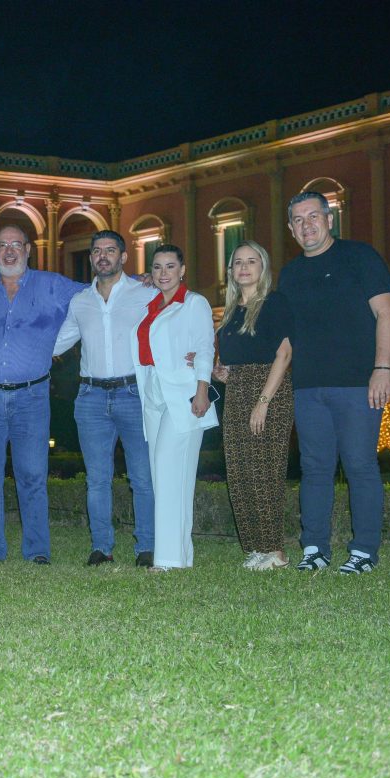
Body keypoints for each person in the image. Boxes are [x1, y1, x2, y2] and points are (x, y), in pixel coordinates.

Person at [278, 191, 390, 574]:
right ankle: (314, 547)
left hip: (357, 385)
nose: (306, 225)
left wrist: (382, 368)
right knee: (314, 468)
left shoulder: (360, 257)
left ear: (330, 219)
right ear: (291, 228)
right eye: (298, 219)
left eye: (313, 216)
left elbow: (387, 313)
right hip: (308, 387)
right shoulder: (291, 274)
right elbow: (282, 335)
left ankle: (363, 551)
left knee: (360, 465)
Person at [0, 225, 85, 564]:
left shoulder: (52, 286)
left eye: (16, 244)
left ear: (29, 249)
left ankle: (36, 551)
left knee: (32, 475)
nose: (9, 251)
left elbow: (100, 289)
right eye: (2, 245)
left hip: (31, 398)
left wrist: (141, 279)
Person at [54, 230, 158, 566]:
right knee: (97, 479)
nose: (103, 256)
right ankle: (102, 546)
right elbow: (57, 343)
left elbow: (173, 318)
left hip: (132, 394)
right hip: (91, 397)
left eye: (110, 250)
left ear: (124, 257)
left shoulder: (145, 292)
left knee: (142, 476)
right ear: (91, 258)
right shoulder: (80, 301)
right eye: (97, 251)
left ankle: (147, 546)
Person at [131, 244, 217, 571]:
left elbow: (204, 348)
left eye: (170, 267)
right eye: (157, 267)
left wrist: (202, 390)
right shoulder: (149, 304)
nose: (163, 273)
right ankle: (179, 556)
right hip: (153, 394)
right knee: (164, 477)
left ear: (182, 270)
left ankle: (168, 560)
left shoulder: (193, 303)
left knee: (170, 473)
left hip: (184, 396)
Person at [212, 241, 294, 570]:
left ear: (263, 268)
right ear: (231, 271)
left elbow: (284, 353)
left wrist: (263, 401)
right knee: (240, 472)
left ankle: (275, 550)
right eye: (238, 262)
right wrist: (221, 372)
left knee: (265, 472)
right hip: (238, 392)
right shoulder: (231, 313)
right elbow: (232, 361)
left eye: (252, 261)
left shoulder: (275, 303)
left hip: (269, 391)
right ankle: (256, 547)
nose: (244, 267)